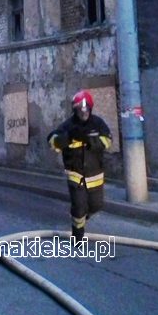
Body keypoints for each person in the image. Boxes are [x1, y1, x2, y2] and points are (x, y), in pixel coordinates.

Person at [47, 90, 112, 242]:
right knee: (79, 206)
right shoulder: (68, 126)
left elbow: (107, 141)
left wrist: (90, 141)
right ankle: (77, 234)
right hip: (76, 175)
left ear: (90, 108)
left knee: (96, 205)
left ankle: (83, 216)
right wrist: (65, 139)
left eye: (86, 109)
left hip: (95, 174)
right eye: (80, 110)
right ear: (75, 110)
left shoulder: (98, 123)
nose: (84, 112)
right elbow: (52, 140)